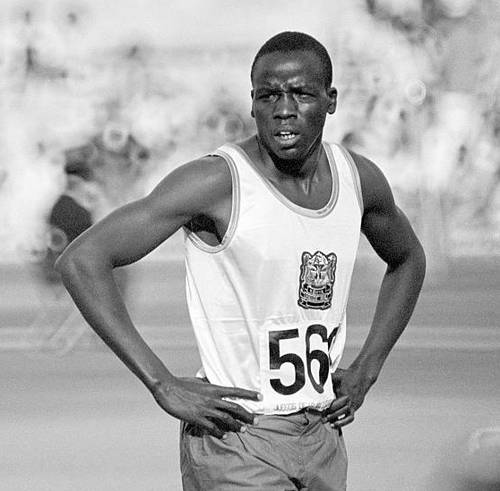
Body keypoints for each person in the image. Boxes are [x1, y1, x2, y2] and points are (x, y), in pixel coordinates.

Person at [56, 31, 426, 491]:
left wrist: (368, 367)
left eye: (301, 94)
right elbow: (83, 259)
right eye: (268, 95)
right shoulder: (217, 181)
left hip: (323, 434)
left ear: (331, 101)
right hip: (236, 436)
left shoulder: (359, 179)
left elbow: (408, 258)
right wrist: (161, 382)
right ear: (251, 103)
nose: (284, 108)